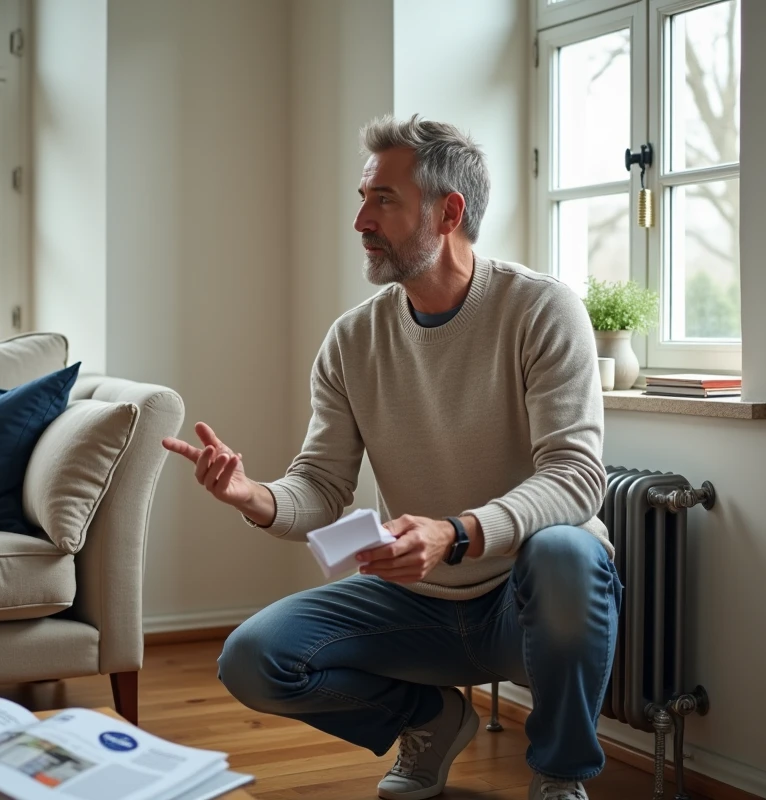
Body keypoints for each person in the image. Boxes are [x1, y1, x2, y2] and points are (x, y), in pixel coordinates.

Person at [161, 114, 622, 800]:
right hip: (413, 603)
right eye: (362, 197)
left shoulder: (540, 309)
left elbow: (578, 476)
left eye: (383, 199)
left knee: (569, 553)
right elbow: (320, 486)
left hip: (519, 603)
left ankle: (558, 777)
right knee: (253, 660)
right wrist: (250, 495)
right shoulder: (353, 340)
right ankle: (431, 720)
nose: (360, 221)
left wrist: (455, 532)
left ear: (449, 211)